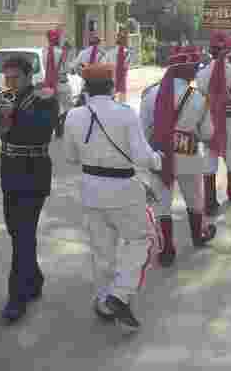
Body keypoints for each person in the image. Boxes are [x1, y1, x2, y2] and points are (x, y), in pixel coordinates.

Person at [63, 62, 162, 332]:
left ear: (86, 88)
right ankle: (120, 294)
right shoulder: (124, 113)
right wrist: (158, 160)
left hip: (90, 189)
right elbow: (142, 156)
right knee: (141, 240)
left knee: (102, 250)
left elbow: (70, 157)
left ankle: (105, 302)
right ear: (111, 86)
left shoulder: (74, 116)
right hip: (123, 191)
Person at [0, 55, 58, 323]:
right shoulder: (2, 98)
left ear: (28, 77)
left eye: (15, 78)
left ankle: (17, 297)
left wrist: (13, 113)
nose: (10, 82)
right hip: (10, 171)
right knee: (17, 232)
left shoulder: (43, 98)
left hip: (34, 171)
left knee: (22, 234)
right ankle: (34, 278)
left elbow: (44, 129)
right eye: (7, 78)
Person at [141, 53, 216, 268]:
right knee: (194, 199)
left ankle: (167, 250)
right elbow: (208, 132)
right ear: (189, 72)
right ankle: (198, 236)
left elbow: (143, 130)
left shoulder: (150, 94)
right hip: (188, 154)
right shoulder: (198, 97)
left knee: (162, 205)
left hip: (160, 157)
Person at [196, 32, 231, 214]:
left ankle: (210, 201)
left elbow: (201, 96)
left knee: (209, 155)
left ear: (211, 51)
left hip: (209, 117)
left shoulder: (201, 73)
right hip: (230, 117)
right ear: (229, 50)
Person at [42, 28, 72, 137]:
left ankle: (56, 126)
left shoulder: (44, 52)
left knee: (53, 107)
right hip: (62, 83)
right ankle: (62, 126)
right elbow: (67, 68)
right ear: (57, 39)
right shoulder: (61, 52)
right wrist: (67, 53)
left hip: (49, 84)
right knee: (67, 107)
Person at [111, 30, 132, 104]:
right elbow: (127, 65)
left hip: (112, 79)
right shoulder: (127, 52)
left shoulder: (110, 52)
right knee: (122, 101)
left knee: (113, 99)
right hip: (122, 78)